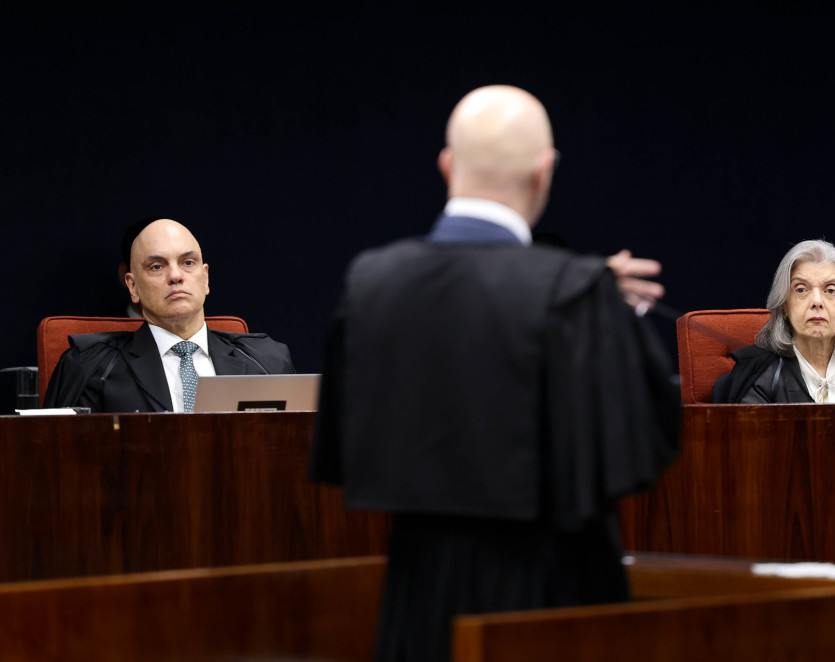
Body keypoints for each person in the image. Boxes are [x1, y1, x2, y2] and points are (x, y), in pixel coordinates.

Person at [309, 85, 681, 662]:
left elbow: (336, 450)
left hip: (417, 601)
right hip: (547, 603)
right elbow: (642, 451)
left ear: (447, 164)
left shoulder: (369, 282)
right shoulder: (575, 295)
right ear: (544, 171)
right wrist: (584, 293)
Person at [45, 218, 295, 412]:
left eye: (188, 263)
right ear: (132, 286)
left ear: (205, 278)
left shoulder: (267, 362)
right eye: (157, 266)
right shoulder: (91, 367)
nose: (175, 276)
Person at [713, 239, 835, 403]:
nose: (817, 302)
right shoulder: (758, 376)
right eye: (801, 290)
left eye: (830, 290)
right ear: (784, 305)